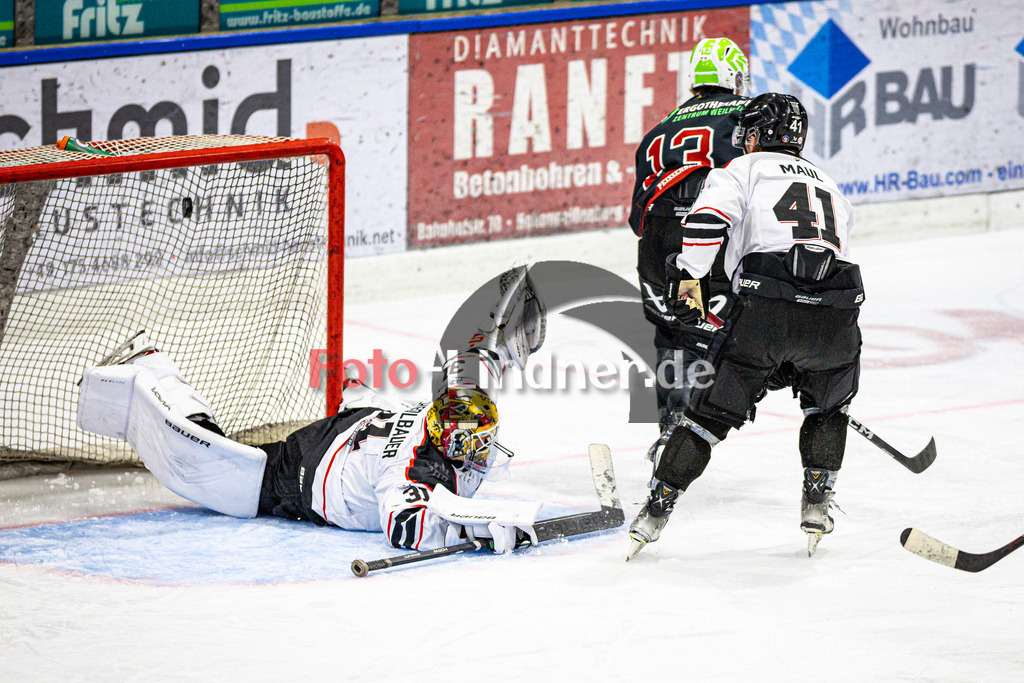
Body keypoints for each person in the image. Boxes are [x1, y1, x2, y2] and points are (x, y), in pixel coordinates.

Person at [77, 266, 547, 554]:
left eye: (484, 436)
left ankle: (357, 397)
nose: (482, 448)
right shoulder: (414, 470)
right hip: (302, 470)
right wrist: (474, 533)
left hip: (363, 425)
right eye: (474, 441)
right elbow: (404, 529)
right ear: (449, 441)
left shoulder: (447, 413)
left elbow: (477, 367)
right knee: (210, 465)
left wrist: (510, 332)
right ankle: (151, 367)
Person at [626, 93, 865, 560]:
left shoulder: (741, 170)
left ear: (756, 135)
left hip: (765, 310)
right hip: (837, 315)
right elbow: (832, 259)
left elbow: (707, 221)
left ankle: (654, 511)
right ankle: (817, 503)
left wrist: (691, 277)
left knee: (705, 419)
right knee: (827, 409)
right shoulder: (830, 185)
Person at [627, 37, 751, 463]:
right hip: (705, 236)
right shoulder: (745, 114)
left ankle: (669, 430)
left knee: (672, 335)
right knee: (715, 334)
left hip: (656, 243)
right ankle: (691, 434)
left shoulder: (660, 127)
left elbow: (636, 216)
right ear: (734, 77)